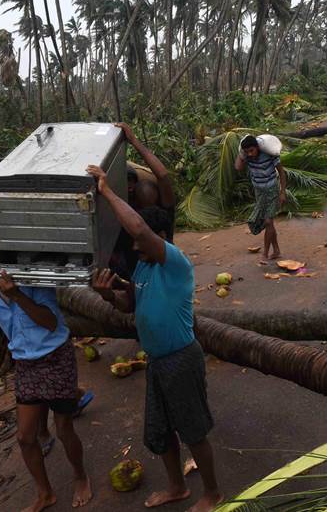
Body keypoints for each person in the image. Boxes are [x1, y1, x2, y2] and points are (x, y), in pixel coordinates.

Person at [87, 164, 222, 512]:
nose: (134, 245)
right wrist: (107, 295)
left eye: (140, 240)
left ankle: (212, 494)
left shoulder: (174, 262)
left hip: (182, 358)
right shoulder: (143, 267)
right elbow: (130, 305)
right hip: (157, 361)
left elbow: (138, 228)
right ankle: (177, 487)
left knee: (193, 431)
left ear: (159, 236)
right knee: (162, 432)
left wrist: (106, 189)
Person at [0, 238, 92, 512]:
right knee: (24, 437)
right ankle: (45, 493)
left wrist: (18, 295)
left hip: (56, 357)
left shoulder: (32, 280)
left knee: (64, 428)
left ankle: (81, 476)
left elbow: (50, 322)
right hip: (25, 364)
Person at [109, 122, 176, 280]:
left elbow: (162, 176)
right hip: (136, 274)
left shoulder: (160, 218)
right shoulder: (126, 213)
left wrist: (134, 140)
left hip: (149, 272)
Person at [235, 135, 287, 260]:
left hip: (272, 190)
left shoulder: (269, 155)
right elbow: (238, 167)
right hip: (259, 192)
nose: (250, 154)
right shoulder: (247, 157)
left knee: (268, 221)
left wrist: (282, 192)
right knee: (269, 224)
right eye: (247, 151)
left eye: (252, 150)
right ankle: (276, 250)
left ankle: (265, 254)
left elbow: (281, 172)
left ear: (257, 147)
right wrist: (242, 154)